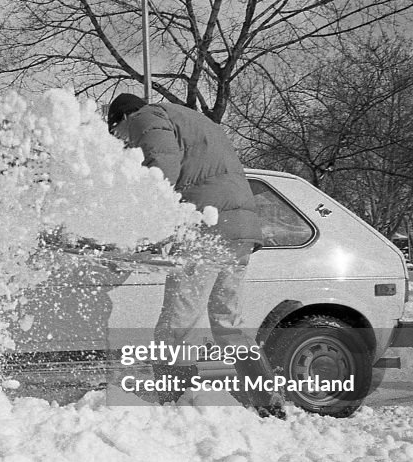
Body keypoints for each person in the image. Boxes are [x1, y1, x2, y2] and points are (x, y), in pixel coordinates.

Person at [107, 93, 285, 418]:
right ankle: (266, 396)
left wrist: (136, 228)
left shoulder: (145, 117)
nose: (122, 144)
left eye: (118, 135)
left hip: (208, 230)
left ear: (123, 119)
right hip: (241, 230)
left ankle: (178, 404)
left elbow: (161, 173)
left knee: (176, 326)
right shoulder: (190, 119)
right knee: (228, 325)